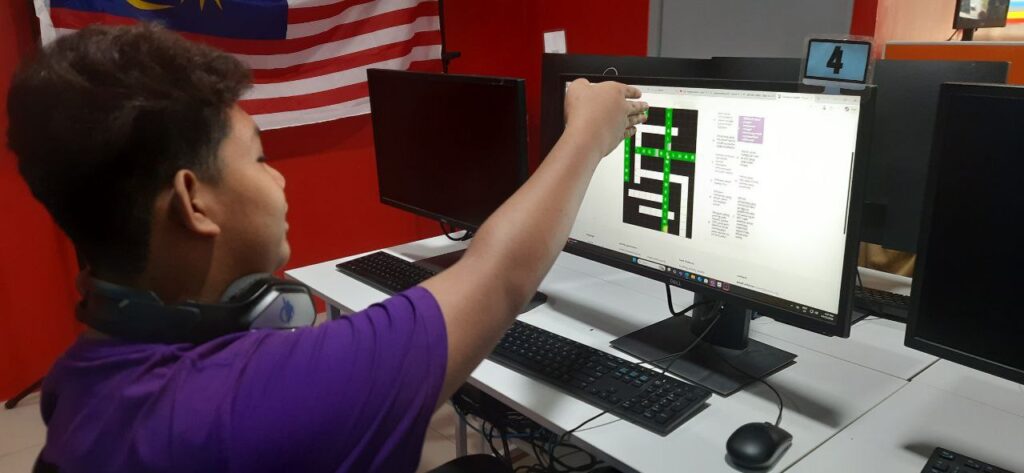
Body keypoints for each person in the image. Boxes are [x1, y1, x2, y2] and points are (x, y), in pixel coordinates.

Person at [6, 23, 647, 473]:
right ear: (193, 202)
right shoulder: (257, 402)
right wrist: (587, 134)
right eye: (261, 159)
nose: (279, 180)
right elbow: (499, 275)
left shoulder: (75, 386)